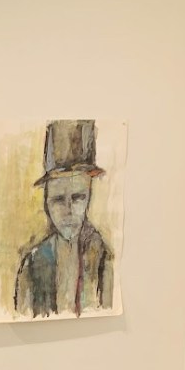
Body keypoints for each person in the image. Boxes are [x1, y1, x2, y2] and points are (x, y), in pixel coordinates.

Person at [14, 119, 113, 318]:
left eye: (78, 198)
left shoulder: (103, 258)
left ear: (89, 198)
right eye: (58, 200)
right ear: (46, 204)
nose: (68, 211)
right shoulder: (32, 264)